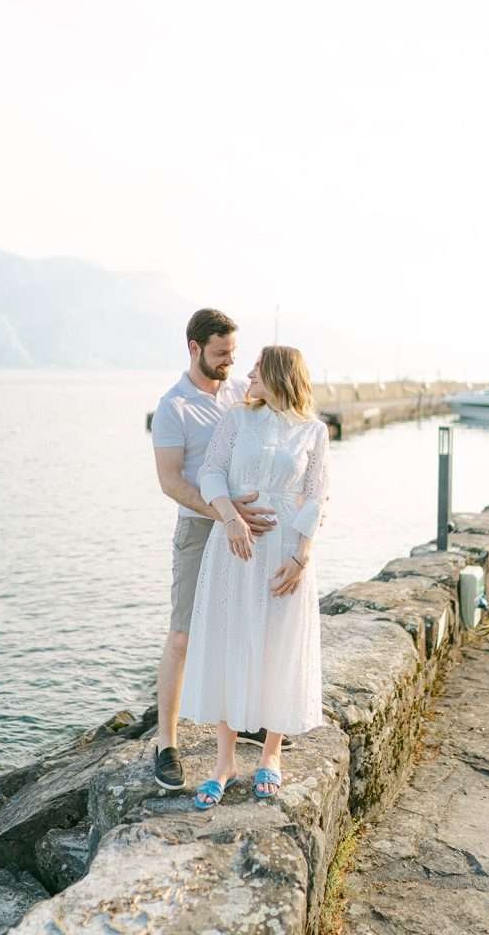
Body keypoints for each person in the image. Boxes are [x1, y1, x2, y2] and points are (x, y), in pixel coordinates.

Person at [179, 345, 330, 808]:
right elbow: (210, 474)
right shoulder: (236, 421)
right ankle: (223, 762)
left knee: (276, 645)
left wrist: (301, 558)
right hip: (234, 549)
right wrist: (230, 519)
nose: (248, 374)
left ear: (281, 375)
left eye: (258, 370)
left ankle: (270, 754)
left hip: (284, 552)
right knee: (230, 641)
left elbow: (317, 497)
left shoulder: (314, 431)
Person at [151, 309, 289, 791]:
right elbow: (171, 482)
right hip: (200, 529)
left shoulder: (240, 391)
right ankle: (166, 743)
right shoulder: (174, 408)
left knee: (243, 628)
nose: (232, 362)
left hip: (249, 531)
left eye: (234, 352)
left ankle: (245, 717)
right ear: (194, 349)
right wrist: (226, 514)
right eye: (221, 353)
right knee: (184, 635)